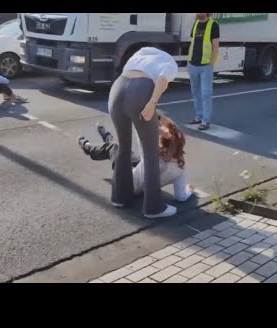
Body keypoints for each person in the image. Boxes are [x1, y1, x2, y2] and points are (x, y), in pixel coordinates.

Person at [108, 46, 179, 218]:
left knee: (123, 147)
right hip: (139, 92)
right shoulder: (169, 61)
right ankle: (154, 207)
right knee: (150, 153)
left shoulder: (138, 55)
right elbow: (162, 80)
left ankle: (119, 197)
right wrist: (152, 103)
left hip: (117, 89)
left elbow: (126, 76)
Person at [78, 117, 194, 203]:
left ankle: (87, 146)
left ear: (162, 139)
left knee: (115, 148)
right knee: (124, 150)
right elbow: (181, 197)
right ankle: (106, 135)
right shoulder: (180, 169)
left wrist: (156, 126)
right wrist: (189, 189)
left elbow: (141, 133)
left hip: (126, 182)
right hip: (141, 177)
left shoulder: (153, 154)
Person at [187, 13, 220, 131]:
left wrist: (211, 63)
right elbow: (193, 42)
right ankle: (199, 116)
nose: (198, 14)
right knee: (195, 93)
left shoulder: (213, 25)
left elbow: (216, 46)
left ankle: (206, 120)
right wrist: (189, 62)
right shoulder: (196, 23)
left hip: (205, 65)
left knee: (206, 94)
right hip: (192, 64)